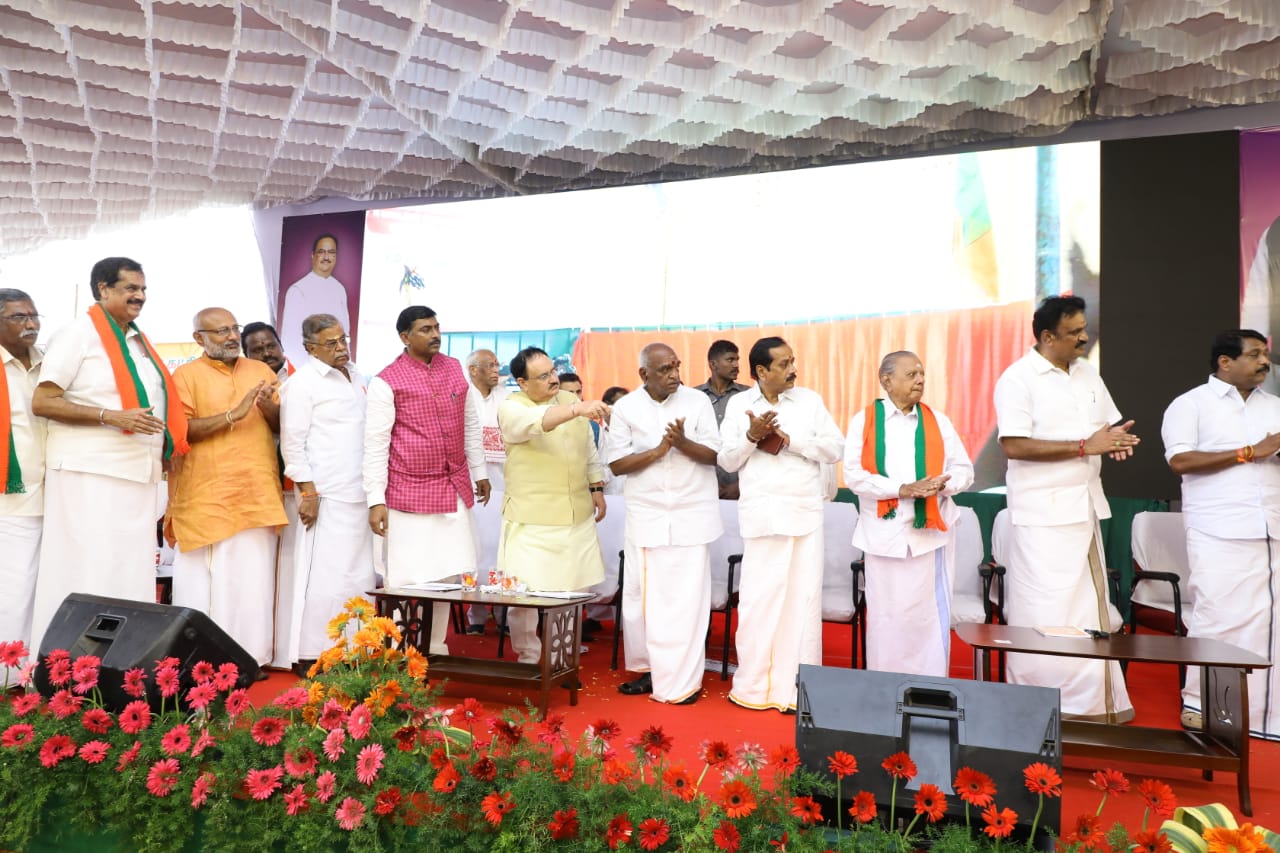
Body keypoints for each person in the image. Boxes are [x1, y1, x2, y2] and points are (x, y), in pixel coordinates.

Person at [29, 257, 189, 654]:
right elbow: (43, 400)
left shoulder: (136, 339)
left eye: (143, 289)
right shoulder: (77, 334)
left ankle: (121, 663)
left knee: (128, 574)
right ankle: (65, 667)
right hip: (90, 474)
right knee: (87, 571)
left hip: (136, 475)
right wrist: (109, 416)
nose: (140, 296)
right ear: (102, 289)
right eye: (130, 288)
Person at [993, 295, 1138, 722]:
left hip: (1084, 509)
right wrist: (1083, 446)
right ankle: (1034, 710)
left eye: (1083, 327)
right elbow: (1014, 444)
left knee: (1088, 614)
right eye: (1074, 331)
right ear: (1046, 336)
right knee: (1042, 613)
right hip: (1041, 516)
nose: (1083, 336)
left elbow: (1102, 428)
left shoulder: (1087, 372)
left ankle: (1089, 709)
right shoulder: (1018, 379)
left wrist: (1112, 442)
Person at [1162, 330, 1280, 738]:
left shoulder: (1275, 407)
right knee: (1216, 615)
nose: (1265, 361)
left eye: (1265, 354)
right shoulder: (1190, 404)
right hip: (1216, 529)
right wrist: (1249, 451)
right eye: (1254, 355)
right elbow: (1180, 460)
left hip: (1269, 528)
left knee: (1270, 621)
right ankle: (1201, 704)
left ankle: (1264, 714)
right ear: (1225, 362)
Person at [718, 336, 844, 712]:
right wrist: (750, 438)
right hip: (763, 518)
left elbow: (835, 447)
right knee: (759, 602)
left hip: (805, 516)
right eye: (784, 363)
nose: (793, 369)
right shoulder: (740, 405)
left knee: (803, 602)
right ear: (761, 371)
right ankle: (754, 685)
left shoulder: (809, 400)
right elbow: (726, 461)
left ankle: (797, 688)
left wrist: (792, 441)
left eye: (793, 361)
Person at [363, 306, 488, 655]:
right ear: (404, 337)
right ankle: (401, 653)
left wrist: (479, 472)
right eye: (424, 329)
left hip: (453, 488)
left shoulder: (453, 369)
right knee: (407, 579)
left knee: (448, 577)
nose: (434, 334)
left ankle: (434, 648)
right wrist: (376, 499)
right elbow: (375, 443)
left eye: (436, 327)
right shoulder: (387, 380)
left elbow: (470, 424)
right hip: (408, 492)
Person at [844, 351, 974, 677]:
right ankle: (885, 687)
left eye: (922, 373)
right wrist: (903, 489)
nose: (920, 380)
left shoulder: (938, 421)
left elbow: (964, 471)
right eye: (911, 374)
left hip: (930, 535)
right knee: (887, 618)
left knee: (928, 617)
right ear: (886, 380)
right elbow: (854, 477)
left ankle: (930, 687)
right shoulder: (864, 420)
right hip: (882, 535)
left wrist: (941, 486)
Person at [168, 308, 286, 667]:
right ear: (199, 339)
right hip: (207, 493)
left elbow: (283, 424)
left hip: (256, 489)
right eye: (221, 331)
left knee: (253, 581)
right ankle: (204, 662)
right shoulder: (185, 376)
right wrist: (233, 414)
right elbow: (182, 431)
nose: (232, 336)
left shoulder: (260, 371)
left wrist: (266, 408)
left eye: (234, 329)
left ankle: (253, 659)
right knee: (206, 584)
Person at [609, 344, 721, 704]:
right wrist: (658, 452)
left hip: (691, 514)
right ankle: (648, 672)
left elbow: (716, 455)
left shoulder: (697, 402)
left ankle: (684, 682)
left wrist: (683, 443)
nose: (674, 374)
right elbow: (616, 464)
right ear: (644, 374)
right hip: (648, 515)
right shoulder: (626, 408)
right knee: (642, 602)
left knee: (686, 601)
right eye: (664, 370)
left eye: (676, 366)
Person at [497, 347, 609, 664]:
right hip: (532, 518)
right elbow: (538, 422)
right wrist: (577, 410)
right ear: (521, 381)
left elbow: (588, 449)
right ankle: (529, 656)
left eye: (553, 372)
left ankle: (563, 656)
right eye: (543, 376)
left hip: (576, 513)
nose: (553, 380)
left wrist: (596, 486)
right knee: (525, 595)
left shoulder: (570, 402)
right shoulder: (512, 407)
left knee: (573, 591)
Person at [280, 315, 373, 673]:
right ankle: (311, 654)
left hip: (360, 491)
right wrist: (309, 492)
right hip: (326, 494)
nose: (341, 348)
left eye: (343, 340)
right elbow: (293, 444)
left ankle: (354, 648)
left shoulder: (358, 376)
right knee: (322, 579)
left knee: (359, 577)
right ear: (309, 348)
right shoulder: (302, 384)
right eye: (331, 343)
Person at [0, 289, 45, 674]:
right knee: (15, 584)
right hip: (11, 495)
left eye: (33, 315)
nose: (31, 324)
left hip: (60, 490)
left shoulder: (50, 363)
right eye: (19, 317)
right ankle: (9, 673)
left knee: (47, 582)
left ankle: (40, 666)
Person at [465, 347, 508, 636]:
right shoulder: (462, 395)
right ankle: (476, 613)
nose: (496, 370)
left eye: (497, 365)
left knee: (501, 548)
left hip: (503, 482)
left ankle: (504, 611)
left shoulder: (507, 399)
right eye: (489, 365)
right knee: (474, 547)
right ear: (473, 370)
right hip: (470, 484)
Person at [280, 234, 349, 366]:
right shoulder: (298, 290)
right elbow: (290, 340)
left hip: (336, 367)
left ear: (336, 257)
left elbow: (345, 333)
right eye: (322, 252)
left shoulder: (340, 289)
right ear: (313, 255)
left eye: (331, 252)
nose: (326, 257)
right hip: (308, 368)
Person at [695, 339, 750, 499]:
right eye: (730, 360)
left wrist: (740, 485)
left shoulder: (747, 396)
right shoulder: (695, 397)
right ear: (713, 364)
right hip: (701, 487)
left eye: (737, 360)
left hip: (741, 487)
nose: (736, 365)